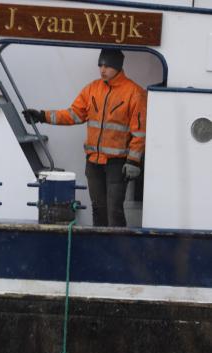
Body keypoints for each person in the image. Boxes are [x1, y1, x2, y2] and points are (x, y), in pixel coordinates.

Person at [22, 48, 147, 227]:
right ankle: (100, 247)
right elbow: (74, 115)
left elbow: (139, 132)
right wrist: (42, 116)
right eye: (100, 65)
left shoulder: (134, 93)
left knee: (114, 211)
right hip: (93, 162)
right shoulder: (92, 88)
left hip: (117, 164)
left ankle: (118, 249)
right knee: (98, 208)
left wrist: (133, 161)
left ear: (118, 67)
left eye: (108, 66)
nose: (103, 70)